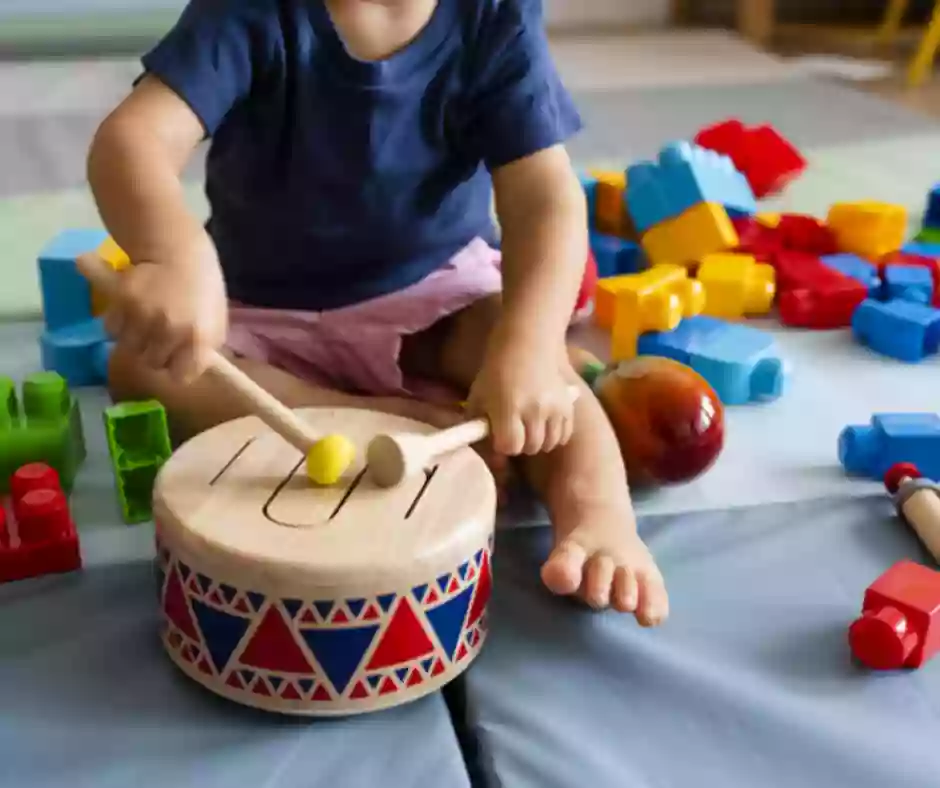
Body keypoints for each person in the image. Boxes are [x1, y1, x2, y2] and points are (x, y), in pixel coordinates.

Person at [86, 0, 668, 624]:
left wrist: (527, 346)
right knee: (143, 369)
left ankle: (597, 516)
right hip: (260, 307)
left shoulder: (491, 13)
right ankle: (393, 420)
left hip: (433, 293)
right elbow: (133, 139)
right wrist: (175, 257)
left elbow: (544, 197)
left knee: (542, 360)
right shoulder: (246, 11)